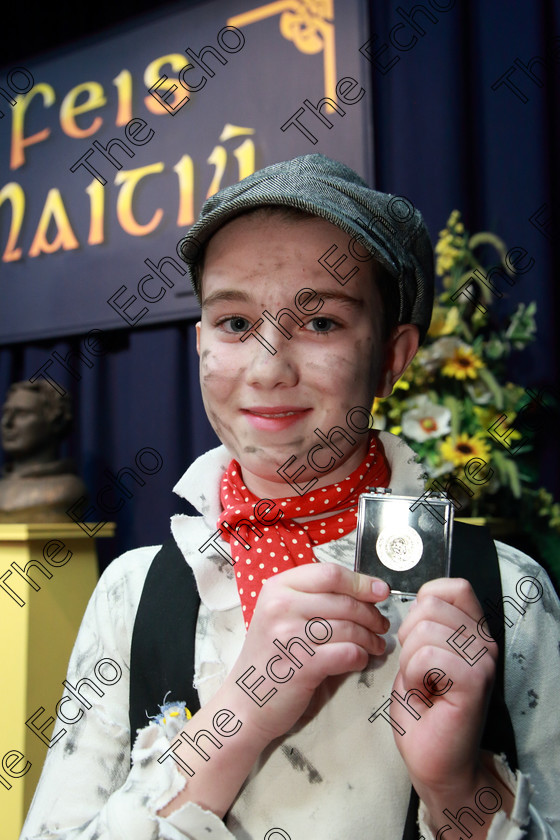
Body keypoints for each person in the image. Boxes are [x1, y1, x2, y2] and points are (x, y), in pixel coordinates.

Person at [20, 154, 560, 839]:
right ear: (199, 343)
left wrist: (460, 789)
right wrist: (233, 725)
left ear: (393, 357)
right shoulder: (131, 595)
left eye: (322, 323)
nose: (269, 369)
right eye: (236, 325)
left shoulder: (505, 593)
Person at [0, 380, 87, 521]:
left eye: (22, 414)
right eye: (6, 412)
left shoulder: (65, 490)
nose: (7, 422)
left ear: (56, 422)